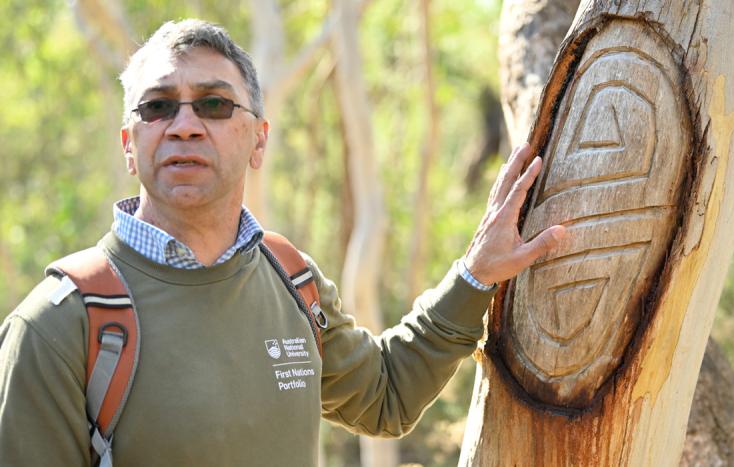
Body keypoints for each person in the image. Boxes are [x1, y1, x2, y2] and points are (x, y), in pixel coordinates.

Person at [0, 19, 565, 466]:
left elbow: (387, 395)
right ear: (130, 143)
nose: (185, 124)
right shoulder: (58, 326)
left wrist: (476, 275)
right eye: (158, 107)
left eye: (215, 104)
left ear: (258, 139)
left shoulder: (290, 279)